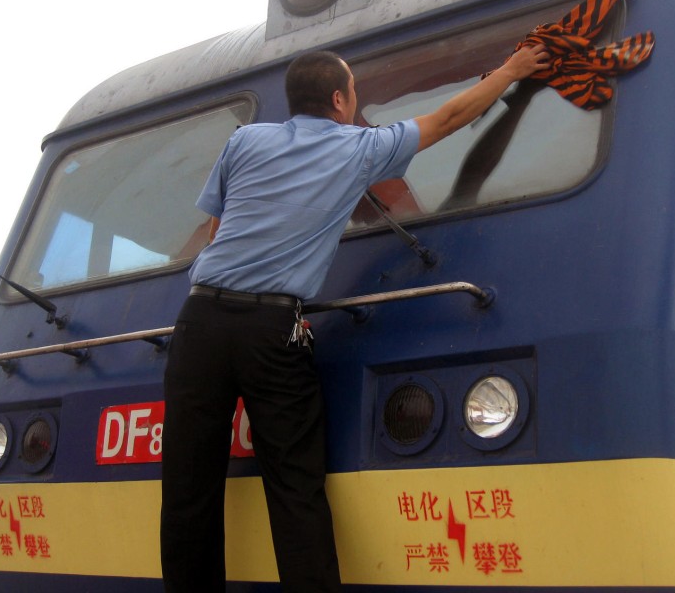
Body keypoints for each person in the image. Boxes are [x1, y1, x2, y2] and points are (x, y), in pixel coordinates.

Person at [159, 43, 550, 593]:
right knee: (294, 487)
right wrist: (512, 70)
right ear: (341, 100)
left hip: (199, 319)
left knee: (186, 487)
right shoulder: (360, 148)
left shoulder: (244, 141)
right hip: (270, 329)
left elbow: (218, 230)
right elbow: (449, 118)